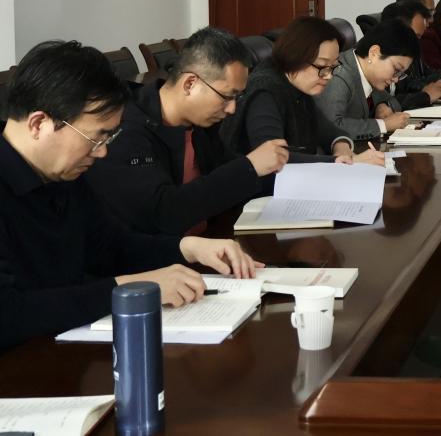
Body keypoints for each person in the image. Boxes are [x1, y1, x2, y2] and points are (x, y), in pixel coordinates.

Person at [0, 41, 260, 350]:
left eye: (109, 138)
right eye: (96, 137)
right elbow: (9, 314)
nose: (102, 152)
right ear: (38, 124)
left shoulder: (63, 173)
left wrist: (188, 248)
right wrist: (127, 288)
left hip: (62, 350)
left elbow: (109, 247)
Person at [87, 28, 290, 236]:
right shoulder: (125, 128)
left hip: (207, 241)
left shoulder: (200, 123)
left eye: (237, 97)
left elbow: (226, 169)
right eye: (227, 96)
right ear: (190, 84)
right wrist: (249, 167)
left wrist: (292, 180)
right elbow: (162, 212)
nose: (231, 109)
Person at [220, 17, 384, 166]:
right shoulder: (264, 93)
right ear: (295, 56)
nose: (328, 76)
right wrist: (337, 162)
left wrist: (342, 148)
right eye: (322, 66)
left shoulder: (297, 84)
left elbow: (328, 130)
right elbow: (272, 157)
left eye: (333, 67)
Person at [315, 18, 417, 141]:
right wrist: (383, 125)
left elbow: (390, 99)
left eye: (400, 74)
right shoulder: (338, 75)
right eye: (396, 69)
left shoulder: (371, 75)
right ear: (374, 53)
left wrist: (382, 105)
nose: (396, 80)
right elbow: (331, 127)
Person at [379, 0, 441, 109]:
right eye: (415, 36)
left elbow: (408, 83)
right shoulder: (378, 58)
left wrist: (435, 86)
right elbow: (383, 105)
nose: (417, 42)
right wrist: (425, 96)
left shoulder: (405, 51)